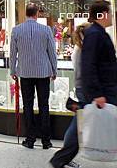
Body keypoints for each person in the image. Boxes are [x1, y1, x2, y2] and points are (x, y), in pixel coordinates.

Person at [80, 0, 117, 168]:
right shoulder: (94, 34)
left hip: (109, 91)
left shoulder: (99, 33)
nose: (112, 16)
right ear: (102, 14)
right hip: (104, 92)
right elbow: (89, 65)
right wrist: (97, 93)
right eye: (110, 13)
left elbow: (107, 65)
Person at [10, 4, 57, 150]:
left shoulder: (16, 30)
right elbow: (52, 52)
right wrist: (54, 70)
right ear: (37, 13)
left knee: (28, 105)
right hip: (43, 72)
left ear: (26, 13)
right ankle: (46, 141)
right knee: (44, 105)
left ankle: (30, 139)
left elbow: (12, 53)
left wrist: (13, 70)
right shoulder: (46, 29)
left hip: (25, 72)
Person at [49, 22, 91, 168]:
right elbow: (83, 73)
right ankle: (62, 157)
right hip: (86, 90)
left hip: (84, 89)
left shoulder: (81, 49)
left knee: (77, 123)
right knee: (76, 125)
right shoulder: (81, 51)